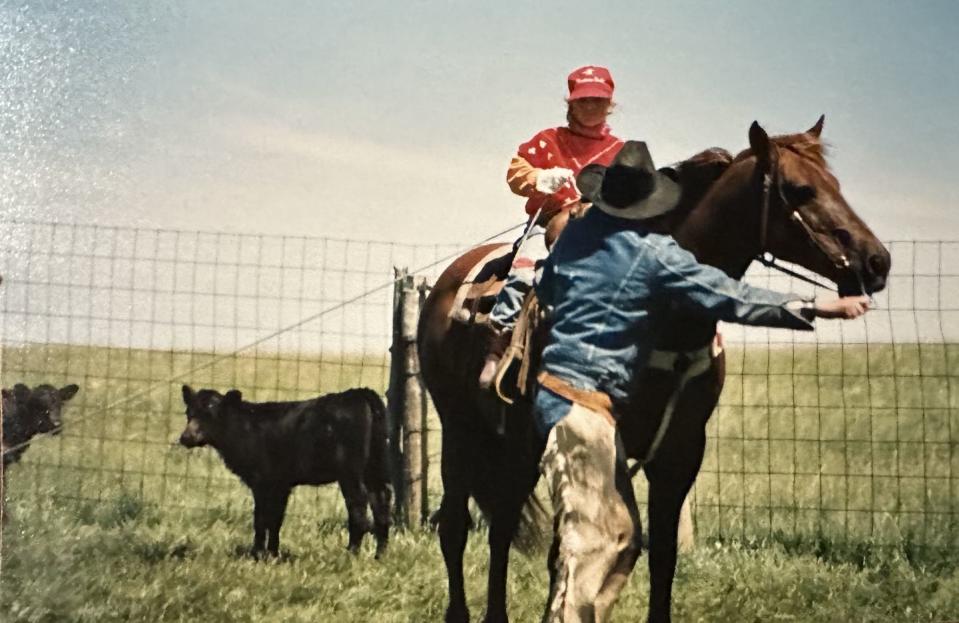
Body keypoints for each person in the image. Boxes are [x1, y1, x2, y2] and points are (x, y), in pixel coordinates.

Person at [533, 141, 871, 622]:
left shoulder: (578, 236)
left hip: (559, 398)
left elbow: (546, 288)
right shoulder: (653, 255)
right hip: (582, 410)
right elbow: (728, 295)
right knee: (598, 541)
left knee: (622, 537)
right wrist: (814, 306)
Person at [478, 65, 625, 388]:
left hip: (602, 232)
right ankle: (499, 341)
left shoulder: (621, 151)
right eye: (583, 100)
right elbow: (516, 170)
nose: (590, 107)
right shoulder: (547, 141)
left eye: (598, 101)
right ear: (570, 103)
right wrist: (538, 178)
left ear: (610, 104)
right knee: (524, 271)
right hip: (547, 226)